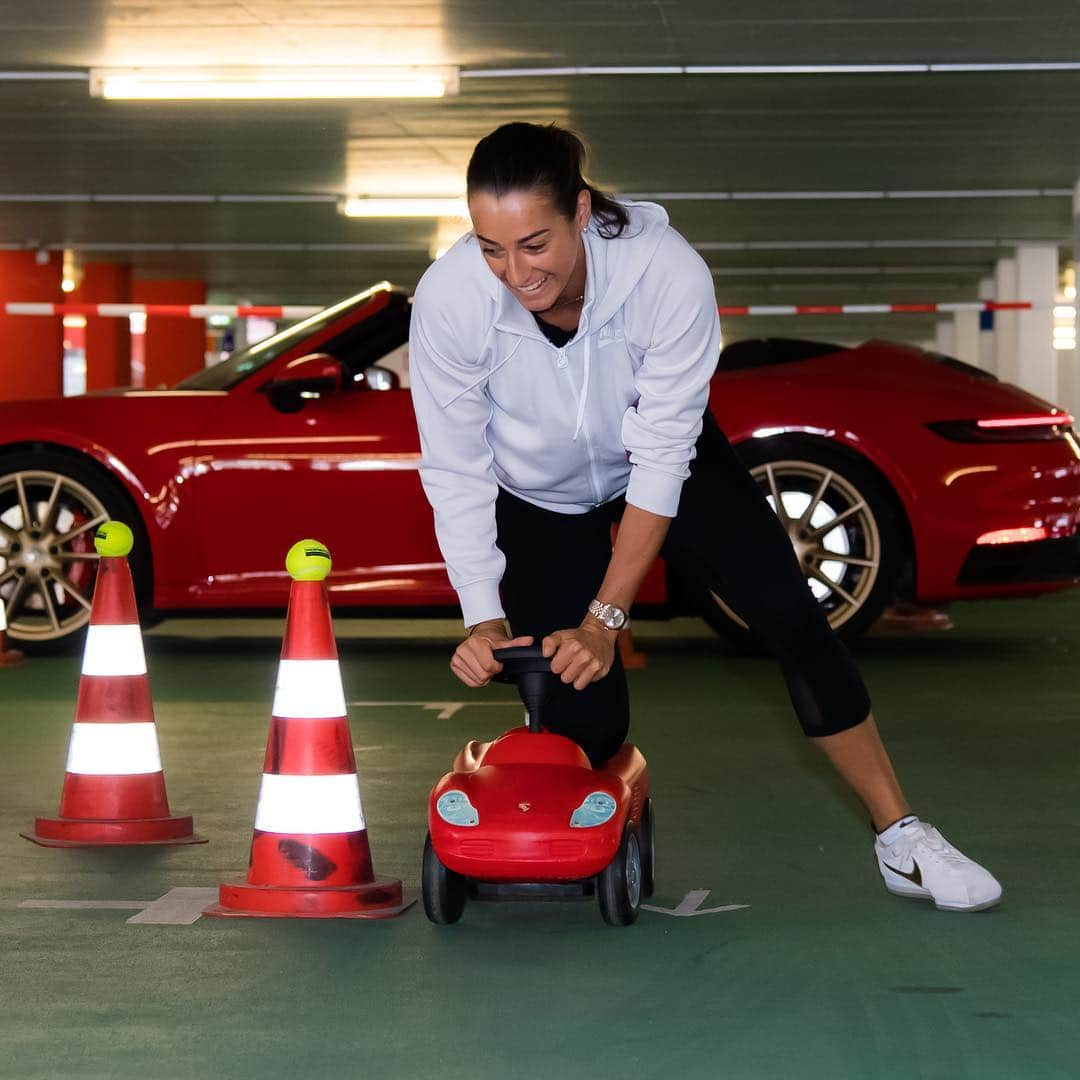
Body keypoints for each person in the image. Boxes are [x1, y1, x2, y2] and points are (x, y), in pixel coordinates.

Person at [409, 121, 1001, 913]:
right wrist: (482, 614)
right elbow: (455, 466)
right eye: (491, 247)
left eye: (535, 244)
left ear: (582, 213)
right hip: (536, 493)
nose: (515, 272)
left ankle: (901, 836)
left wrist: (606, 614)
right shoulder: (451, 299)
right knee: (586, 710)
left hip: (663, 463)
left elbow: (660, 460)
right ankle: (579, 826)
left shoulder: (664, 272)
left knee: (789, 613)